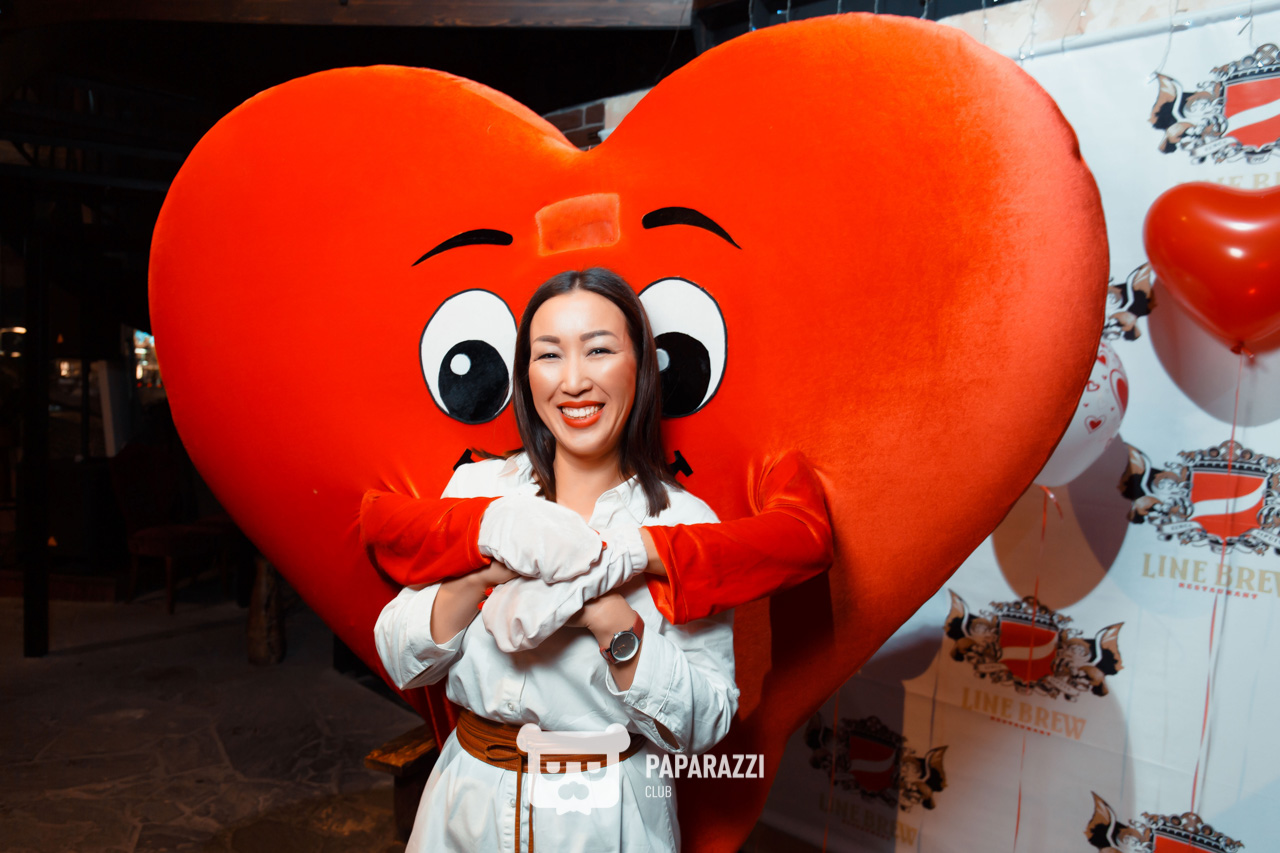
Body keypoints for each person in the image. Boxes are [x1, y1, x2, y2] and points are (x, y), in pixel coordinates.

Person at [375, 268, 739, 853]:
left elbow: (707, 722)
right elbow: (399, 657)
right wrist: (483, 572)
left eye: (599, 350)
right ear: (526, 375)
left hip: (610, 816)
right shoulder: (477, 492)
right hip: (465, 803)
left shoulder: (686, 526)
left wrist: (608, 618)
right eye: (549, 354)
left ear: (641, 366)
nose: (573, 381)